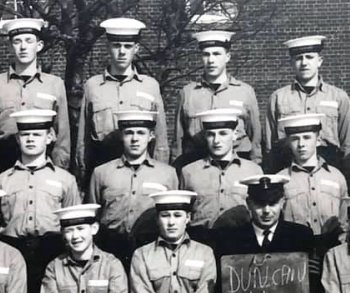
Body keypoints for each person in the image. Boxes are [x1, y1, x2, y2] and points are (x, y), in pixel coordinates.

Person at [0, 109, 81, 293]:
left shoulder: (65, 180)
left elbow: (72, 221)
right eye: (25, 134)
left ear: (50, 137)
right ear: (18, 140)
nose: (31, 139)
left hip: (51, 248)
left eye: (37, 134)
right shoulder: (2, 181)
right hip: (14, 248)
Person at [75, 17, 169, 187]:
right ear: (108, 48)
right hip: (103, 168)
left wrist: (160, 173)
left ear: (136, 49)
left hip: (142, 170)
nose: (122, 52)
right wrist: (83, 176)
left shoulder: (150, 86)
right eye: (116, 46)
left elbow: (160, 138)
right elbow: (84, 139)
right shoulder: (93, 86)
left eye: (127, 46)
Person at [0, 17, 70, 184]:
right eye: (17, 41)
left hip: (41, 164)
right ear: (9, 46)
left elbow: (62, 132)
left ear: (39, 46)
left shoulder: (54, 84)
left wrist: (60, 169)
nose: (23, 47)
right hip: (2, 162)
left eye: (29, 41)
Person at [87, 110, 178, 267]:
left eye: (141, 133)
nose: (135, 139)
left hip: (151, 247)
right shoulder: (101, 172)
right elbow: (93, 215)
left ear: (151, 136)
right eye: (129, 133)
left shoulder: (167, 174)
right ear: (121, 135)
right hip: (110, 247)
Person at [265, 35, 350, 179]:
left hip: (329, 167)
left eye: (309, 57)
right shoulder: (278, 98)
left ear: (319, 61)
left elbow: (348, 143)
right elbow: (271, 144)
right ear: (291, 63)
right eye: (299, 58)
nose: (304, 63)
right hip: (289, 168)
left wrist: (347, 176)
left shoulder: (338, 97)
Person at [173, 30, 261, 169]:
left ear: (227, 56)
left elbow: (255, 136)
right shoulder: (188, 93)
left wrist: (256, 167)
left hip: (238, 164)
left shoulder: (244, 91)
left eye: (216, 54)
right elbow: (178, 140)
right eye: (206, 54)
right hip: (198, 164)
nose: (211, 60)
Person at [179, 108, 262, 244]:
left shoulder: (253, 170)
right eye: (211, 134)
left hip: (241, 242)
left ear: (235, 134)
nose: (216, 141)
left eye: (223, 133)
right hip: (201, 241)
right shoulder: (188, 172)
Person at [276, 112, 347, 264]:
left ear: (318, 139)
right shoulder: (280, 179)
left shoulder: (336, 176)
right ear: (288, 141)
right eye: (295, 139)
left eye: (307, 137)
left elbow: (345, 219)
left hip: (332, 249)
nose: (301, 144)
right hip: (294, 251)